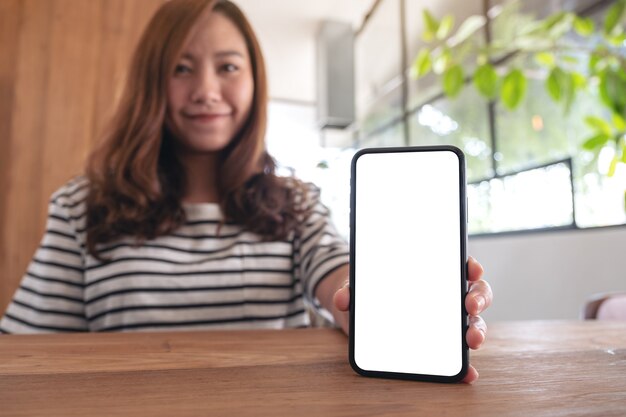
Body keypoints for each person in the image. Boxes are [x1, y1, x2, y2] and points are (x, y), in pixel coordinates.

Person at [0, 0, 492, 383]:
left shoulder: (296, 202)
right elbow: (21, 350)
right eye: (181, 68)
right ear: (151, 83)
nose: (206, 90)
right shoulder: (82, 205)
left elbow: (337, 273)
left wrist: (374, 297)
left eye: (229, 67)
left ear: (256, 81)